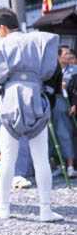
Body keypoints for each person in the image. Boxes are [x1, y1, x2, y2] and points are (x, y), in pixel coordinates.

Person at [0, 8, 63, 222]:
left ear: (2, 28)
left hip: (11, 100)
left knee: (7, 157)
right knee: (41, 157)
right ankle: (45, 210)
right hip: (36, 97)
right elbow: (51, 72)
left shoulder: (0, 45)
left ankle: (4, 207)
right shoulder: (39, 41)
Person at [51, 46, 76, 178]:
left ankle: (70, 165)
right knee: (52, 136)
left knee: (65, 133)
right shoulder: (51, 69)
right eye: (66, 54)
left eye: (69, 53)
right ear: (58, 56)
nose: (68, 56)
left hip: (65, 103)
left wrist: (75, 104)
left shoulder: (74, 70)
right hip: (53, 102)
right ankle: (59, 165)